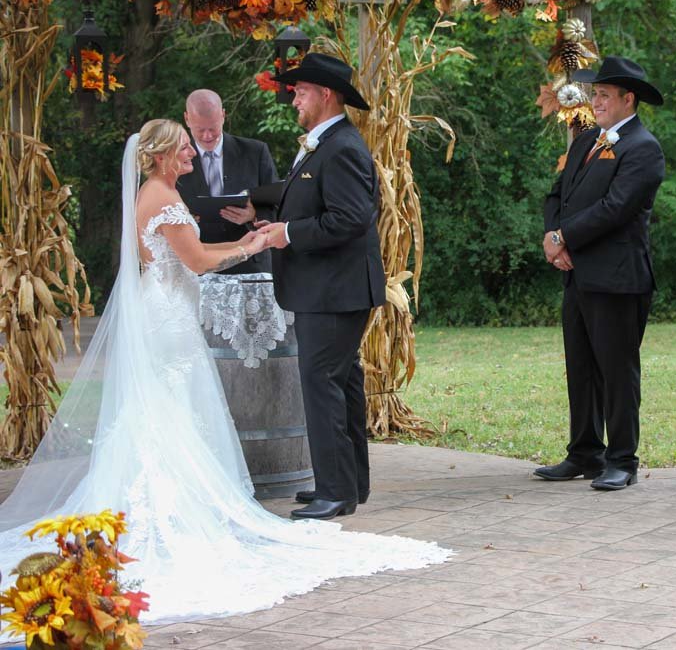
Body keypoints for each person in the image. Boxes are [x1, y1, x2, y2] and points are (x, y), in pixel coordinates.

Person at [0, 120, 448, 627]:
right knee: (172, 407)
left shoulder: (162, 191)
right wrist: (252, 247)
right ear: (163, 155)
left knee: (168, 410)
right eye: (185, 146)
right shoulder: (160, 198)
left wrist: (250, 240)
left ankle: (173, 497)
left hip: (168, 313)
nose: (194, 151)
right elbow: (193, 262)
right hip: (168, 319)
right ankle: (167, 506)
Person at [256, 54, 386, 519]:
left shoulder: (343, 146)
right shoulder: (322, 144)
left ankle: (336, 490)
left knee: (322, 382)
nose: (294, 97)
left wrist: (287, 234)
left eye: (301, 90)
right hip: (328, 287)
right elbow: (313, 204)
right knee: (341, 381)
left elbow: (350, 219)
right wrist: (270, 222)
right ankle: (347, 484)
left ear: (325, 94)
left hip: (335, 289)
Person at [532, 56, 665, 491]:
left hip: (618, 277)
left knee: (616, 369)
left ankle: (622, 458)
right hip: (577, 273)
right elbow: (558, 194)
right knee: (582, 366)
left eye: (605, 95)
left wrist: (565, 237)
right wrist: (555, 238)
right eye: (595, 94)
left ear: (629, 99)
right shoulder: (586, 139)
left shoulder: (643, 148)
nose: (597, 101)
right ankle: (584, 451)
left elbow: (616, 209)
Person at [177, 89, 279, 274]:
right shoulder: (175, 160)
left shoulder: (255, 152)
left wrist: (254, 214)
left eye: (213, 128)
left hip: (251, 266)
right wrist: (184, 221)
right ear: (187, 119)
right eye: (200, 130)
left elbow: (281, 204)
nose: (208, 136)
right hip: (197, 267)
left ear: (223, 115)